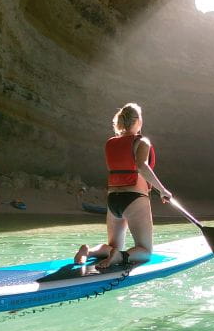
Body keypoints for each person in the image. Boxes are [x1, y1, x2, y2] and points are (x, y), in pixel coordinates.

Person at [74, 103, 173, 270]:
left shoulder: (110, 143)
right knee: (145, 251)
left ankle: (89, 251)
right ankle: (121, 257)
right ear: (138, 121)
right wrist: (162, 190)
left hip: (113, 200)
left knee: (113, 247)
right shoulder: (142, 141)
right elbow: (141, 166)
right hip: (134, 199)